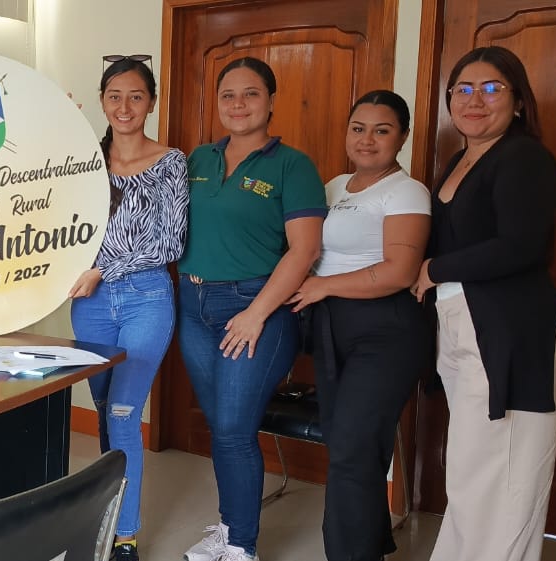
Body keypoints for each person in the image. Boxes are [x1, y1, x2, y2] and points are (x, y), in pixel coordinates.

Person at [409, 46, 556, 561]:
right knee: (470, 464)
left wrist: (435, 269)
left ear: (518, 101)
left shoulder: (524, 157)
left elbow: (522, 245)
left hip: (512, 330)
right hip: (465, 322)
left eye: (491, 88)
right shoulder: (463, 159)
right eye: (463, 89)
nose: (474, 100)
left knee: (505, 470)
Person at [178, 56, 326, 561]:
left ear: (270, 101)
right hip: (193, 305)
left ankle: (242, 546)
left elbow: (304, 250)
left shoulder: (293, 165)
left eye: (251, 94)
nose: (238, 104)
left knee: (235, 430)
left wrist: (257, 313)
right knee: (222, 427)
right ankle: (229, 528)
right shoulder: (197, 160)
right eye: (228, 95)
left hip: (253, 307)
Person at [287, 90, 430, 561]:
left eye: (381, 130)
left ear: (402, 137)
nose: (367, 139)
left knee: (352, 448)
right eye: (358, 128)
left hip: (385, 329)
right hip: (332, 326)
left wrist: (323, 286)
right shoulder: (334, 186)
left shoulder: (406, 191)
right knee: (349, 444)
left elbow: (400, 272)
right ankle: (371, 545)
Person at [67, 54, 188, 561]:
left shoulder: (170, 162)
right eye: (114, 96)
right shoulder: (82, 161)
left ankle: (125, 539)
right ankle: (108, 514)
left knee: (122, 413)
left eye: (136, 96)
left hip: (146, 298)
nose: (124, 106)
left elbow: (170, 243)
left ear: (151, 103)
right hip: (90, 306)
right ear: (101, 101)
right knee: (102, 410)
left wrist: (103, 270)